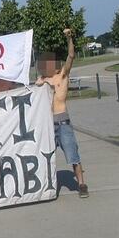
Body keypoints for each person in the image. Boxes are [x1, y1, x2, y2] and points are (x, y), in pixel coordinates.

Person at [35, 28, 89, 198]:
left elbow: (71, 56)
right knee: (45, 157)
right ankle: (44, 185)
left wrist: (69, 38)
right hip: (47, 124)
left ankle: (81, 183)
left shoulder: (62, 77)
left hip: (62, 121)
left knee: (73, 155)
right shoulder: (41, 80)